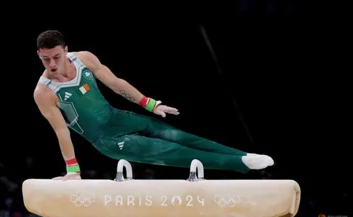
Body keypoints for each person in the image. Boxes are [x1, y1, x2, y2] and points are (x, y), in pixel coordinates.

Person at [33, 30, 274, 180]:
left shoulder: (84, 58)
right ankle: (238, 164)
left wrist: (151, 105)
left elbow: (117, 84)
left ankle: (243, 155)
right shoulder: (44, 92)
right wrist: (73, 170)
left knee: (177, 135)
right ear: (39, 55)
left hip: (118, 117)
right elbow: (61, 131)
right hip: (105, 140)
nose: (52, 64)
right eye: (46, 59)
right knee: (169, 151)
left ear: (66, 50)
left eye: (57, 56)